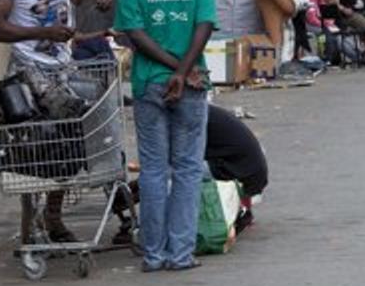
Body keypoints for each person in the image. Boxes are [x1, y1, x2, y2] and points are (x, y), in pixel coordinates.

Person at [0, 0, 113, 244]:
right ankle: (36, 218)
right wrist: (37, 34)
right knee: (41, 142)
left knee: (71, 138)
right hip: (30, 70)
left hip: (63, 65)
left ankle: (53, 213)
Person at [115, 0, 217, 272]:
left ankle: (154, 255)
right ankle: (181, 254)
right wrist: (184, 70)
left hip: (148, 85)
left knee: (154, 170)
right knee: (188, 168)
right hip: (192, 83)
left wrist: (172, 69)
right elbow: (204, 26)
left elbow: (135, 35)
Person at [115, 103, 268, 240]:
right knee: (162, 173)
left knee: (170, 175)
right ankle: (130, 203)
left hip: (237, 170)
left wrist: (143, 182)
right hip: (247, 169)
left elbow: (180, 159)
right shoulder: (196, 109)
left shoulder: (188, 116)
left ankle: (148, 229)